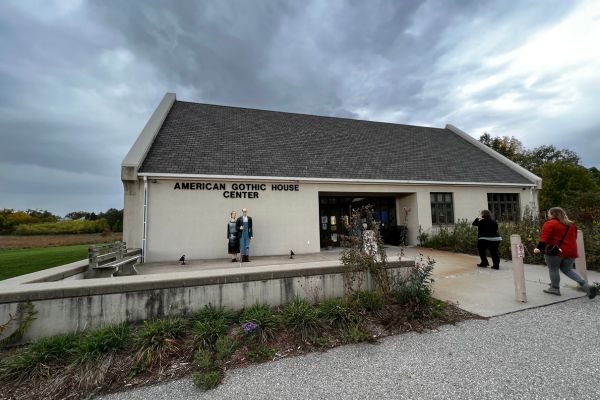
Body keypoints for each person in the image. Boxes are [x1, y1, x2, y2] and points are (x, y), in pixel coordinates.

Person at [534, 207, 597, 299]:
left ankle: (554, 288)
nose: (548, 215)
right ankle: (586, 285)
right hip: (571, 251)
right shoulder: (571, 225)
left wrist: (538, 248)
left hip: (555, 252)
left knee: (553, 269)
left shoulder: (550, 224)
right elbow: (574, 238)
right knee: (568, 270)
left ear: (553, 214)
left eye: (549, 213)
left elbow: (544, 238)